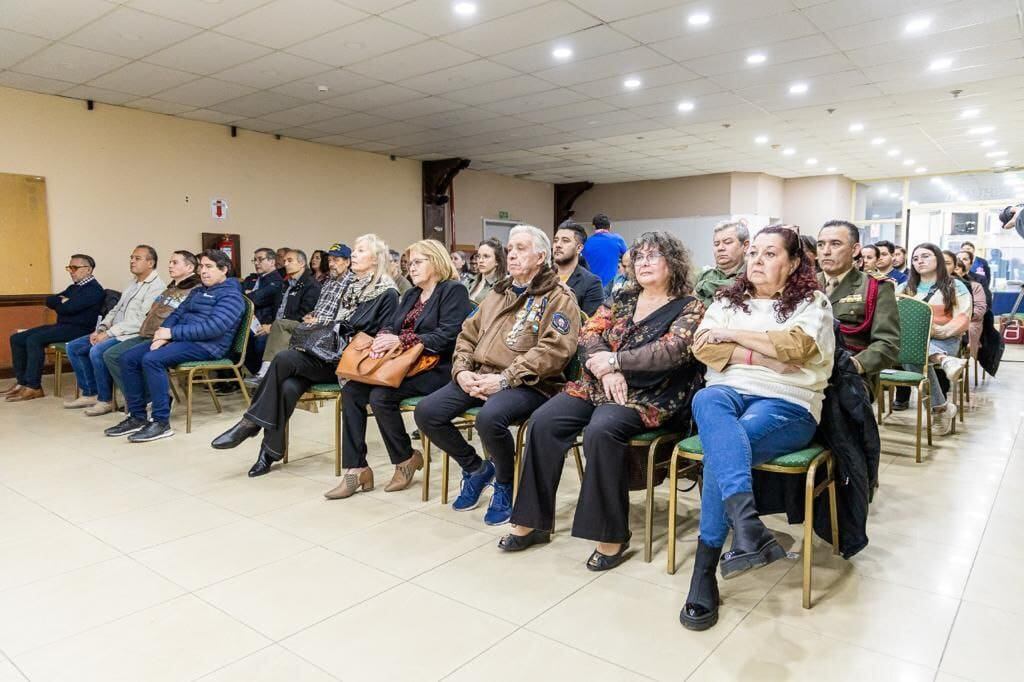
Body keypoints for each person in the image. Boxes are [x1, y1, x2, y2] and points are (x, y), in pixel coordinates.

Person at [500, 232, 705, 567]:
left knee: (601, 430)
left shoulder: (691, 307)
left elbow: (672, 351)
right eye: (639, 257)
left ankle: (610, 536)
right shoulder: (622, 296)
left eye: (654, 256)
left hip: (651, 395)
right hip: (599, 383)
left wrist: (617, 362)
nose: (644, 263)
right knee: (544, 422)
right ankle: (532, 521)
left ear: (674, 264)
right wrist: (608, 370)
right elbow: (589, 332)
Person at [678, 225, 834, 631]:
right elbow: (701, 347)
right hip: (725, 395)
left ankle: (705, 572)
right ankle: (747, 528)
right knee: (706, 399)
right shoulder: (728, 299)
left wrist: (731, 335)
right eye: (755, 255)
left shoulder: (811, 302)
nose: (757, 262)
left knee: (723, 449)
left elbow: (796, 348)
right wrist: (763, 356)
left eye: (770, 254)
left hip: (788, 403)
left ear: (794, 262)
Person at [414, 225, 581, 525]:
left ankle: (504, 481)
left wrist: (505, 379)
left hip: (531, 383)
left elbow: (554, 351)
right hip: (480, 374)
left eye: (521, 248)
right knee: (427, 412)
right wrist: (462, 370)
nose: (512, 254)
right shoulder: (498, 292)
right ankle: (476, 468)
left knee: (489, 418)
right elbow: (467, 334)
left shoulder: (558, 296)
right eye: (510, 248)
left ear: (541, 256)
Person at [211, 234, 399, 477]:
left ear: (375, 260)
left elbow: (380, 333)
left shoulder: (387, 292)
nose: (353, 254)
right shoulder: (352, 286)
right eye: (354, 250)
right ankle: (269, 451)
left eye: (360, 251)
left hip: (353, 362)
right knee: (288, 387)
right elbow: (335, 321)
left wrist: (334, 329)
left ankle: (251, 423)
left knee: (283, 359)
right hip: (329, 354)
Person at [327, 240, 472, 499]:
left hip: (437, 366)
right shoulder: (412, 295)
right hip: (402, 364)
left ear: (436, 261)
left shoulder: (453, 290)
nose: (411, 269)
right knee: (351, 391)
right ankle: (357, 467)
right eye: (409, 264)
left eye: (417, 262)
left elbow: (450, 335)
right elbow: (391, 325)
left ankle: (405, 458)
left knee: (380, 396)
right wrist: (383, 338)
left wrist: (402, 340)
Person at [105, 250, 245, 442]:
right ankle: (137, 416)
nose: (203, 271)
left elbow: (214, 328)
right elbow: (176, 314)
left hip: (208, 346)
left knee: (152, 360)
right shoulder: (198, 290)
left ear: (224, 270)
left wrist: (171, 333)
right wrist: (162, 335)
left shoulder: (232, 295)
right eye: (201, 267)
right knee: (127, 358)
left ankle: (161, 422)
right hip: (182, 339)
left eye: (209, 267)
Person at [64, 245, 164, 416]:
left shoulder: (157, 287)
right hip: (114, 331)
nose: (132, 261)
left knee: (97, 351)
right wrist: (102, 328)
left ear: (150, 263)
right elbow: (116, 309)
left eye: (137, 258)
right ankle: (90, 393)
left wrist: (108, 334)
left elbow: (141, 321)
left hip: (132, 334)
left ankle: (106, 400)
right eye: (131, 257)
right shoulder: (132, 283)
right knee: (74, 347)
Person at [891, 243, 970, 434]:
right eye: (916, 258)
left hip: (946, 339)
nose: (920, 261)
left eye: (925, 256)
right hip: (914, 341)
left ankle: (939, 408)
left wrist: (939, 331)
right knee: (912, 353)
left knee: (912, 355)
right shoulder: (904, 287)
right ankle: (941, 403)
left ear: (938, 259)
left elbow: (964, 316)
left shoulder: (955, 285)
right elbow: (894, 316)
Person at [5, 254, 105, 402]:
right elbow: (50, 300)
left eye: (75, 268)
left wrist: (64, 303)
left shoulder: (94, 290)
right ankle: (22, 382)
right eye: (69, 268)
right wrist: (63, 302)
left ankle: (34, 387)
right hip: (62, 326)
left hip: (79, 329)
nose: (71, 271)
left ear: (88, 270)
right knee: (17, 338)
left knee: (34, 339)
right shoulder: (74, 288)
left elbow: (68, 309)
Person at [103, 251, 200, 401]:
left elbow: (183, 318)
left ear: (189, 267)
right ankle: (141, 399)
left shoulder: (194, 290)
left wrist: (165, 337)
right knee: (111, 354)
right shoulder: (171, 288)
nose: (169, 265)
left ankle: (147, 400)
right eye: (169, 262)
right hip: (147, 334)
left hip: (165, 338)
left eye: (175, 262)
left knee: (121, 356)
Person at [248, 242, 350, 383]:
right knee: (260, 335)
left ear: (347, 262)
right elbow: (318, 308)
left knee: (277, 328)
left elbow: (346, 316)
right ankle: (267, 375)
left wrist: (316, 320)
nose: (332, 264)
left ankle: (266, 373)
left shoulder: (350, 284)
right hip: (311, 324)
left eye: (336, 260)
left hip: (327, 330)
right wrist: (312, 315)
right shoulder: (328, 282)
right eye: (330, 260)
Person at [816, 221, 900, 382]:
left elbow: (888, 343)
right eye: (821, 244)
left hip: (852, 373)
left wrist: (854, 365)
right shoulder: (807, 285)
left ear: (855, 250)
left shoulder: (875, 286)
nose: (826, 251)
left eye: (835, 244)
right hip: (808, 368)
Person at [246, 249, 321, 376]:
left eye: (290, 260)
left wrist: (272, 326)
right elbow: (277, 309)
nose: (285, 264)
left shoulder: (311, 285)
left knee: (260, 342)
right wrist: (268, 324)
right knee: (248, 338)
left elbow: (304, 314)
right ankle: (261, 376)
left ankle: (265, 375)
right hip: (277, 325)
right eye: (285, 261)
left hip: (294, 328)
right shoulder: (286, 283)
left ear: (302, 263)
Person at [553, 222, 604, 316]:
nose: (558, 245)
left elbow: (590, 325)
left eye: (565, 240)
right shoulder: (543, 276)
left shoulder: (591, 283)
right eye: (555, 240)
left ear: (579, 248)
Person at [694, 219, 750, 307]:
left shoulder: (753, 274)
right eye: (716, 244)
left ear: (745, 245)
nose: (720, 248)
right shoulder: (704, 276)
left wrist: (703, 286)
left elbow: (738, 286)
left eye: (727, 242)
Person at [946, 251, 986, 360]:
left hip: (970, 320)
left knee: (964, 328)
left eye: (956, 269)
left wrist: (962, 317)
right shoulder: (938, 285)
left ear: (964, 272)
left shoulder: (975, 286)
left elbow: (980, 309)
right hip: (945, 320)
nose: (952, 272)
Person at [582, 213, 628, 287]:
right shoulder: (617, 239)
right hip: (612, 286)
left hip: (592, 286)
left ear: (593, 227)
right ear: (610, 226)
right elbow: (628, 257)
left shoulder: (586, 243)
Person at [242, 248, 284, 328]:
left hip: (262, 325)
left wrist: (247, 293)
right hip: (245, 320)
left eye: (260, 260)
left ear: (272, 262)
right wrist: (247, 293)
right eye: (254, 260)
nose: (256, 263)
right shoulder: (251, 278)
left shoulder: (276, 281)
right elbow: (237, 293)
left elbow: (255, 299)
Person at [467, 237, 507, 305]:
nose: (480, 260)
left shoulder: (503, 285)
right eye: (478, 256)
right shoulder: (470, 281)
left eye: (486, 256)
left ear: (497, 261)